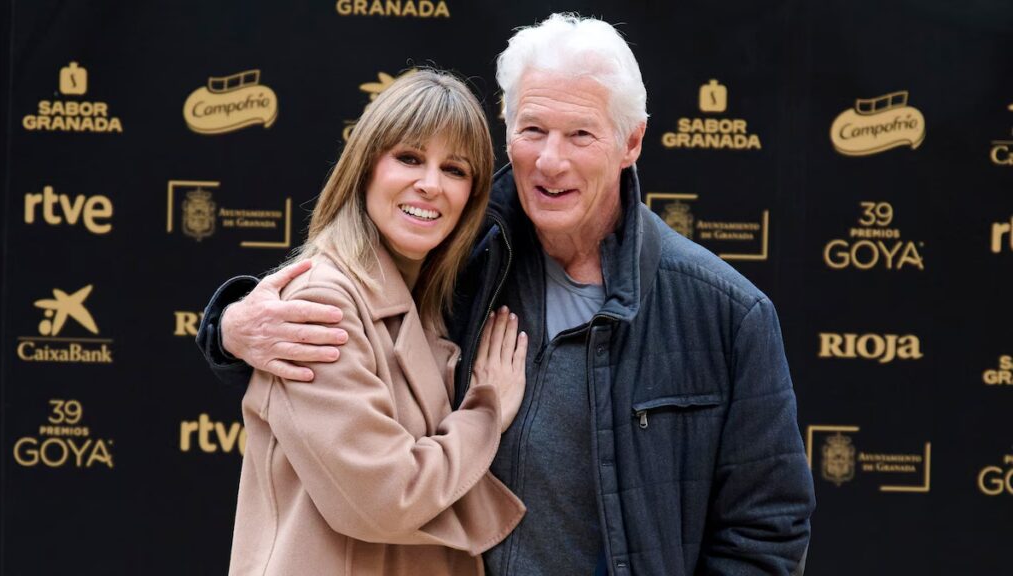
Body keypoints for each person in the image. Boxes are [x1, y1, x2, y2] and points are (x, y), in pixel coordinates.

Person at [200, 14, 815, 575]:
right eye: (533, 129)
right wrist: (229, 325)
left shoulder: (725, 313)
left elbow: (765, 531)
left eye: (580, 134)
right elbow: (347, 294)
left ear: (631, 143)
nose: (551, 160)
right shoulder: (461, 260)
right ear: (508, 134)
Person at [224, 69, 529, 576]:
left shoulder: (425, 300)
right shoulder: (324, 300)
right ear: (365, 168)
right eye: (409, 158)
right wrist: (485, 412)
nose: (430, 185)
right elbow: (388, 498)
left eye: (454, 169)